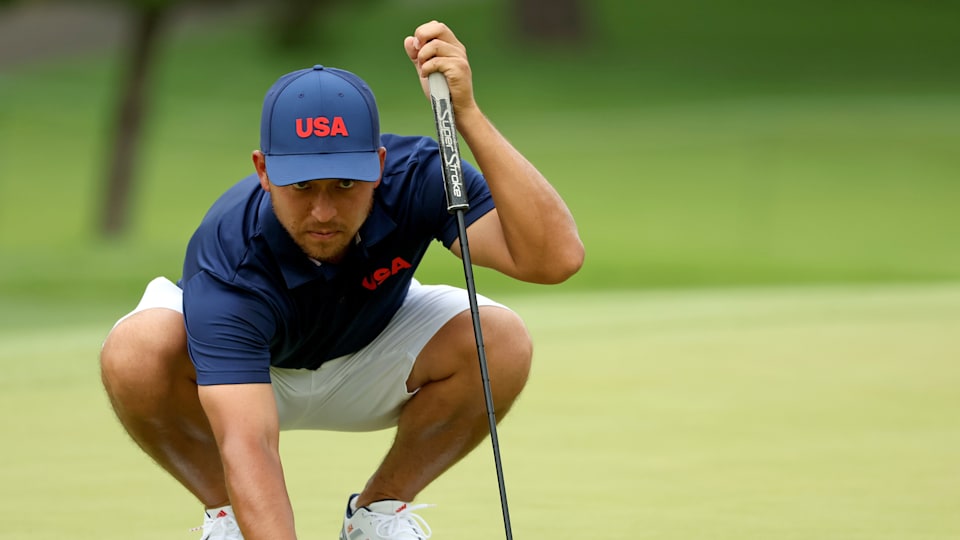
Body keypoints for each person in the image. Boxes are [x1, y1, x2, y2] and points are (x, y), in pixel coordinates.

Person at [99, 20, 583, 540]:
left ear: (378, 165)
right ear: (263, 171)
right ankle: (230, 519)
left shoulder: (418, 175)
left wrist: (466, 115)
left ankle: (377, 517)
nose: (324, 210)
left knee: (501, 340)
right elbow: (249, 443)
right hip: (252, 372)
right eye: (302, 186)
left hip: (370, 349)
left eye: (346, 184)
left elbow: (552, 259)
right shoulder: (232, 257)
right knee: (136, 351)